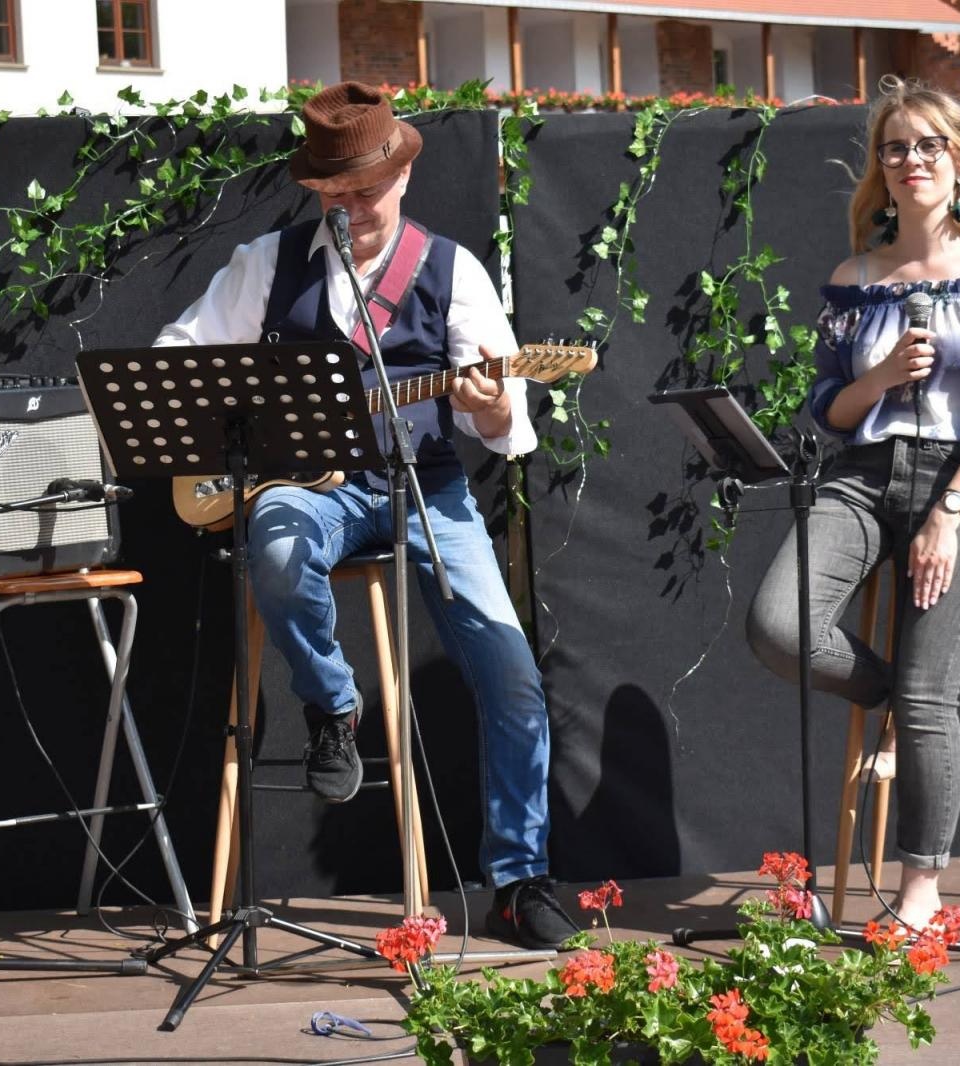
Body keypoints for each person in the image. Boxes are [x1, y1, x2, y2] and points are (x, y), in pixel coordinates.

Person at [153, 81, 577, 951]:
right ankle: (333, 707)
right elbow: (174, 359)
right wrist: (242, 420)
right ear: (314, 190)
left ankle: (519, 878)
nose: (351, 210)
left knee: (512, 675)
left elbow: (507, 433)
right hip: (314, 488)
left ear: (402, 178)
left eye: (366, 192)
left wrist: (493, 403)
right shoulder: (266, 266)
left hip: (425, 485)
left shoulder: (453, 272)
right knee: (272, 540)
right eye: (334, 195)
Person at [746, 77, 960, 930]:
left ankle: (919, 890)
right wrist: (877, 379)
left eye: (928, 145)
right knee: (778, 625)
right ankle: (889, 703)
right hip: (866, 473)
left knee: (929, 694)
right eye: (895, 147)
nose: (910, 160)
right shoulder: (857, 276)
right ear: (880, 168)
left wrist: (948, 514)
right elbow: (828, 409)